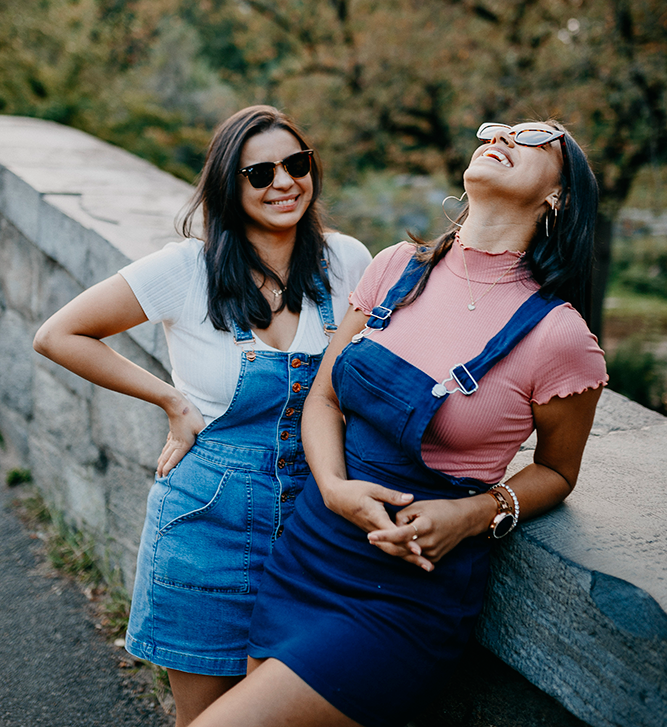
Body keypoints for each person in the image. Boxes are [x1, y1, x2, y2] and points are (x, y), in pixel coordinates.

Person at [187, 119, 608, 727]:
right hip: (311, 550)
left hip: (404, 593)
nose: (504, 137)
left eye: (537, 136)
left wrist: (470, 514)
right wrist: (332, 487)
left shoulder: (560, 336)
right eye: (497, 129)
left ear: (559, 197)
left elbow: (557, 472)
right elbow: (326, 399)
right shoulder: (396, 267)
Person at [32, 105, 371, 727]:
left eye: (297, 165)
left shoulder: (346, 262)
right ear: (228, 184)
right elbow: (59, 334)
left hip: (317, 530)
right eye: (260, 173)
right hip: (204, 528)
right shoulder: (185, 270)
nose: (284, 183)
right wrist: (171, 400)